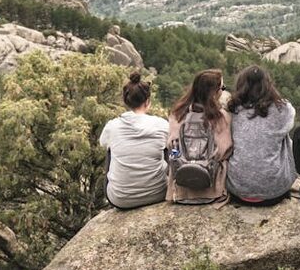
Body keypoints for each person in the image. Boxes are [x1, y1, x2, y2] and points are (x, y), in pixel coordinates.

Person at [226, 65, 296, 206]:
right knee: (285, 139)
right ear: (268, 85)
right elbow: (290, 119)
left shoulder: (233, 109)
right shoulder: (283, 109)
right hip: (274, 191)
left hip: (238, 189)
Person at [99, 72, 170, 209]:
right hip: (158, 194)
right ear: (148, 101)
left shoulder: (112, 126)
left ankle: (123, 186)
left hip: (120, 199)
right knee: (167, 146)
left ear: (125, 101)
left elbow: (102, 143)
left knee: (110, 148)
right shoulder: (161, 124)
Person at [166, 69, 233, 204]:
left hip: (181, 190)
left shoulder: (177, 114)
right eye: (222, 88)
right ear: (215, 92)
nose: (223, 91)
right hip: (212, 190)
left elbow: (172, 147)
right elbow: (224, 151)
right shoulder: (221, 117)